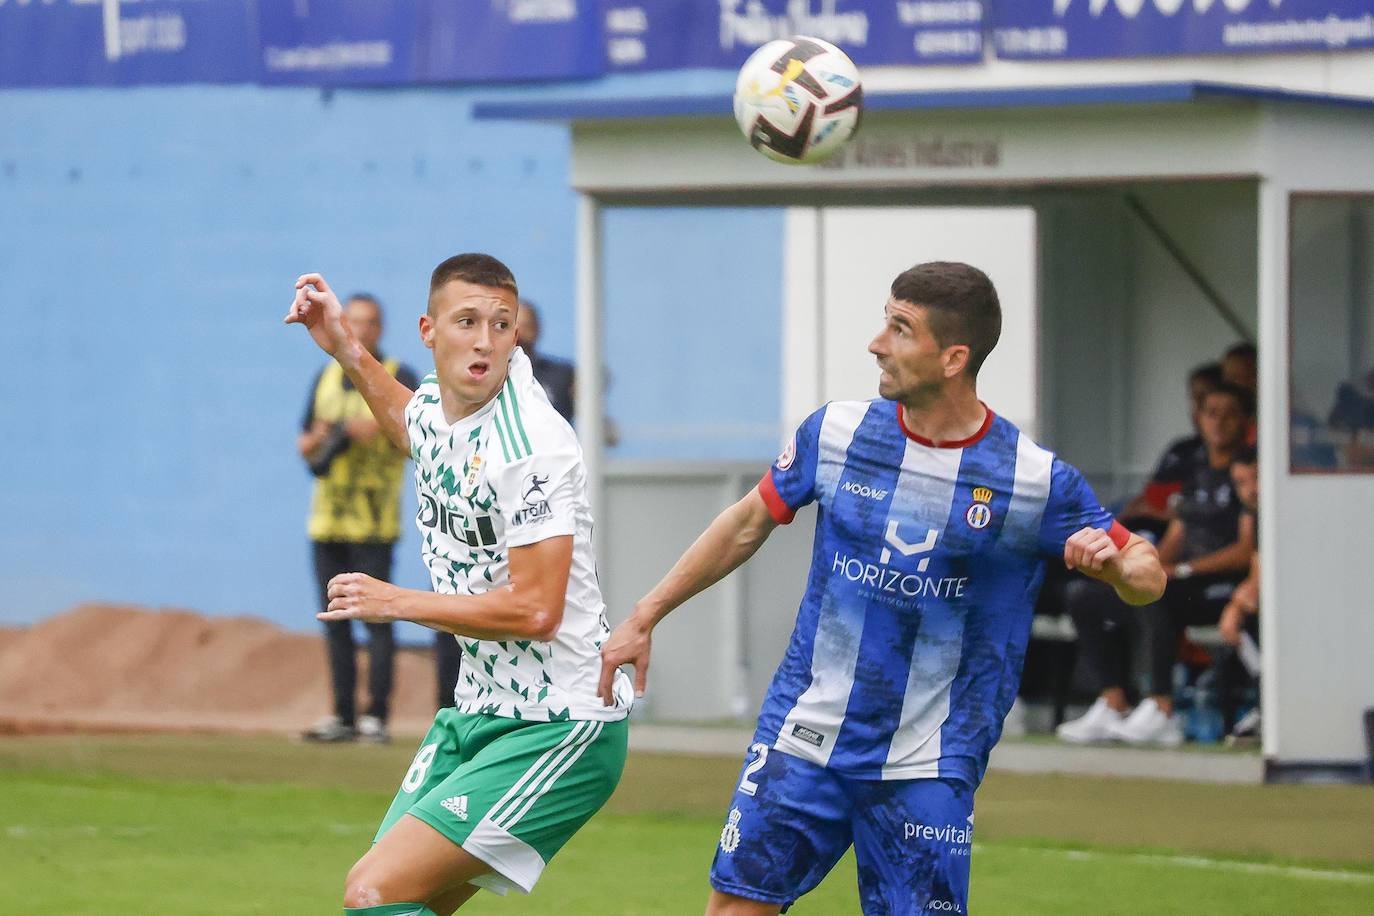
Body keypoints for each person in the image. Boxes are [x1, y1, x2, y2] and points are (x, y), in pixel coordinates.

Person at [598, 262, 1165, 916]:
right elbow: (747, 523)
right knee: (735, 909)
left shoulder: (1033, 479)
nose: (876, 343)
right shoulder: (836, 433)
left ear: (954, 358)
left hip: (930, 759)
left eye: (900, 329)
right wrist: (645, 614)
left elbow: (1148, 576)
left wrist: (1118, 568)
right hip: (805, 732)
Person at [285, 254, 633, 915]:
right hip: (478, 712)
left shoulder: (532, 442)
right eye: (467, 321)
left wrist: (395, 602)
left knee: (375, 889)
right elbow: (415, 425)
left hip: (559, 724)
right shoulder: (448, 412)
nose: (485, 339)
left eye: (501, 324)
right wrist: (346, 348)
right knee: (384, 902)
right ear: (427, 330)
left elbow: (537, 611)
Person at [1058, 383, 1255, 747]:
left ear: (1246, 420)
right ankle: (1113, 703)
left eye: (1229, 414)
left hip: (1220, 584)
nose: (1219, 422)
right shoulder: (1196, 470)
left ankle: (1162, 710)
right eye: (1212, 413)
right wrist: (1146, 566)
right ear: (1199, 418)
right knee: (1085, 594)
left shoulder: (1248, 471)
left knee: (1158, 593)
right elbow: (1177, 534)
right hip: (1182, 579)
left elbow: (1245, 549)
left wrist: (1180, 571)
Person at [298, 293, 419, 744]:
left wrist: (380, 431)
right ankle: (343, 714)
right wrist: (323, 438)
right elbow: (304, 442)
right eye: (353, 321)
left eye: (368, 322)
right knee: (335, 620)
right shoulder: (326, 376)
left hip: (374, 523)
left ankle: (376, 717)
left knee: (378, 619)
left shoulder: (397, 376)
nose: (360, 329)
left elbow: (418, 436)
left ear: (381, 329)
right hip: (327, 521)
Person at [1117, 362, 1223, 535]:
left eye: (1204, 397)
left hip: (1165, 527)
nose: (1197, 405)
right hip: (1141, 512)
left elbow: (1196, 510)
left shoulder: (1218, 458)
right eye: (1194, 397)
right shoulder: (1181, 447)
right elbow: (1149, 491)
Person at [1217, 448, 1261, 742]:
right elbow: (1259, 572)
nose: (1251, 490)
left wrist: (1237, 603)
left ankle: (1270, 708)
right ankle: (1264, 705)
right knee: (1240, 628)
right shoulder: (1259, 516)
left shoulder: (1292, 507)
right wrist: (1236, 604)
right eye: (1241, 483)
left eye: (1256, 478)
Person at [515, 299, 575, 422]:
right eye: (515, 326)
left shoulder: (562, 375)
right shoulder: (493, 375)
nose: (519, 334)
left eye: (526, 326)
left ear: (537, 329)